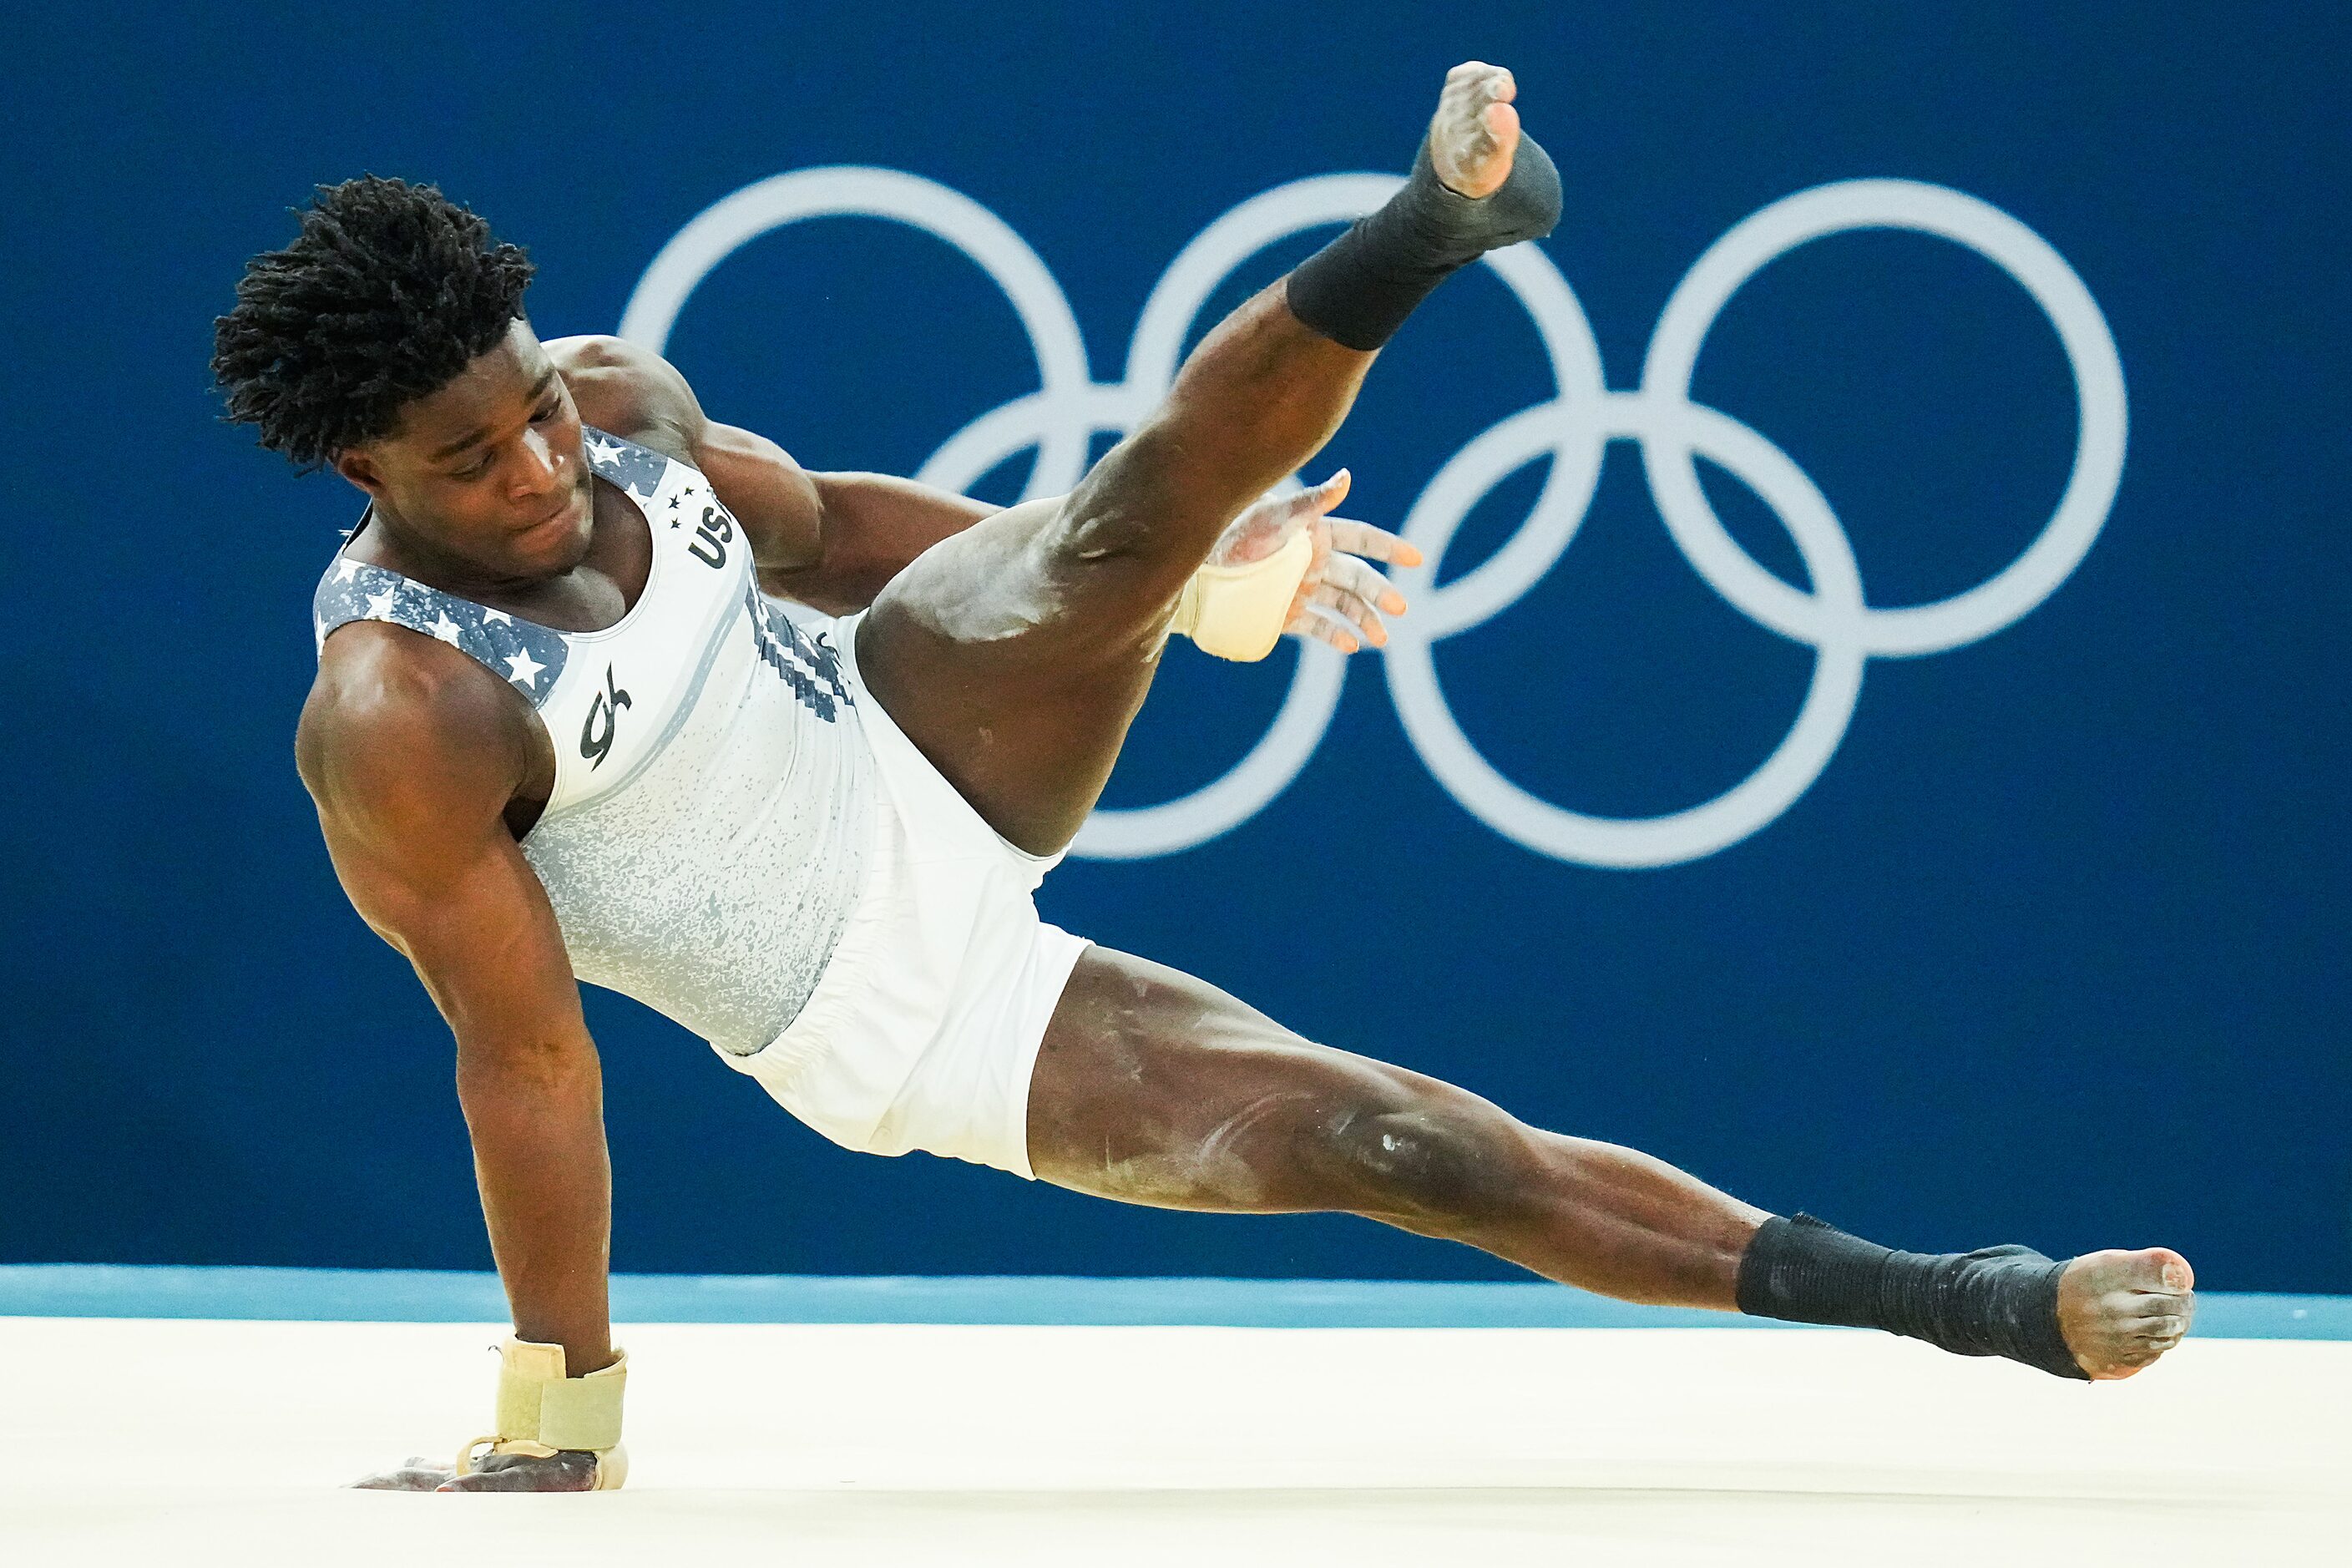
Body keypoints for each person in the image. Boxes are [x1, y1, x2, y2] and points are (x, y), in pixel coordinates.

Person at [213, 63, 2193, 1494]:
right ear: (359, 474)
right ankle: (1970, 1302)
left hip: (910, 744)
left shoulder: (627, 408)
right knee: (1408, 1148)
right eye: (471, 462)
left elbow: (831, 536)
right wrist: (563, 1403)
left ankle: (1433, 225)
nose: (541, 464)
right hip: (887, 1011)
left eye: (536, 406)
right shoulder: (402, 716)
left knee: (1113, 526)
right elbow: (526, 1065)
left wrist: (1190, 575)